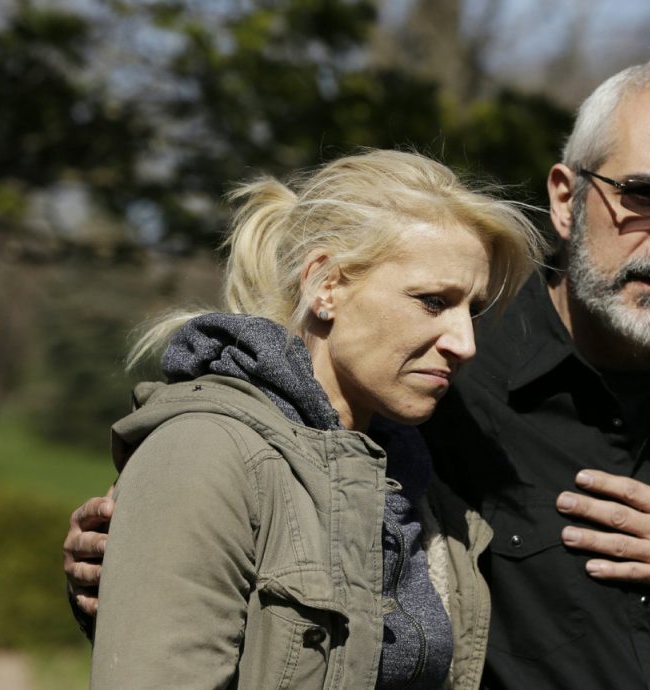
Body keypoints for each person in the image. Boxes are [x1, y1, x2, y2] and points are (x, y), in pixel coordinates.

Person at [67, 58, 650, 689]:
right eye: (646, 194)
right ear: (565, 198)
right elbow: (281, 484)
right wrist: (149, 547)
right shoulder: (441, 377)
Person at [81, 149, 547, 689]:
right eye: (432, 301)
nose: (465, 343)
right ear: (325, 285)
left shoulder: (416, 480)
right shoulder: (204, 452)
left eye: (474, 310)